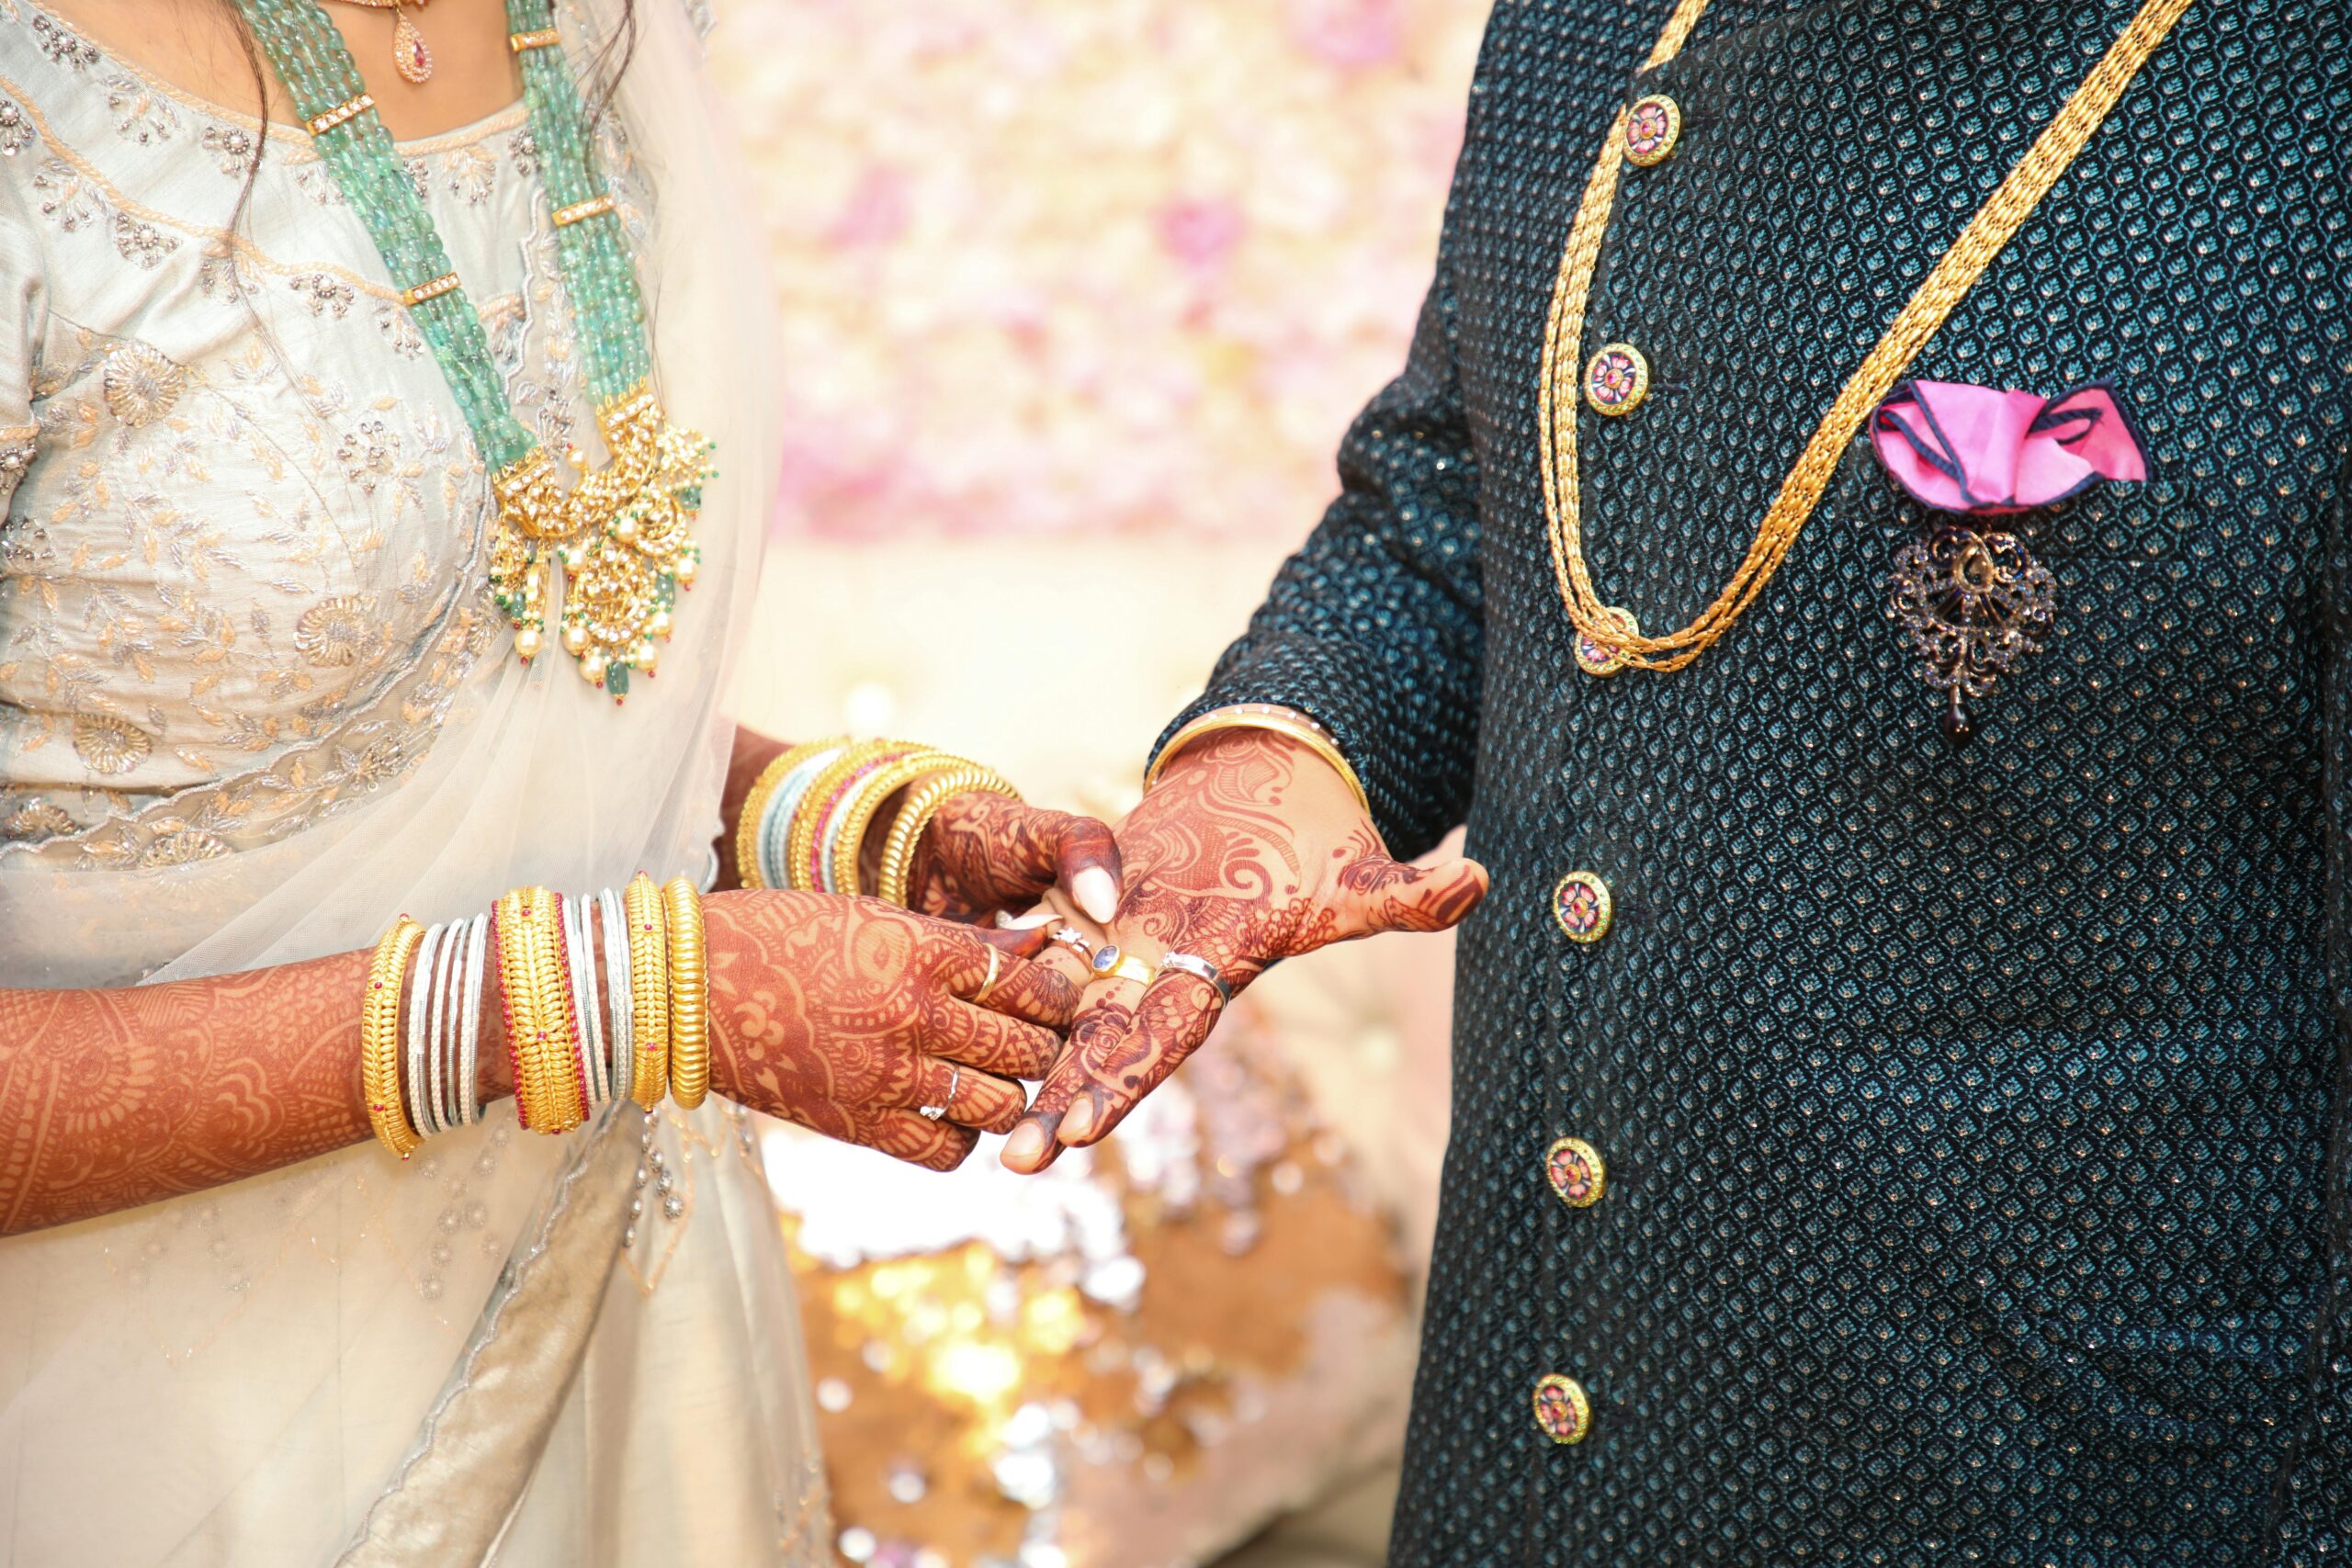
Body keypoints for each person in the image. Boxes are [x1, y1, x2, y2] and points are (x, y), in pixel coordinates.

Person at [1003, 0, 2352, 1560]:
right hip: (1526, 1455)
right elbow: (1453, 508)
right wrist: (1261, 769)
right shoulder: (1586, 24)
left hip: (2064, 1478)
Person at [0, 0, 1125, 1562]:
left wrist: (811, 818)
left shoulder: (598, 32)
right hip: (175, 1434)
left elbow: (475, 671)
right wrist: (641, 993)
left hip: (635, 1342)